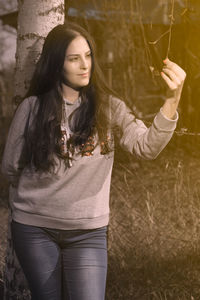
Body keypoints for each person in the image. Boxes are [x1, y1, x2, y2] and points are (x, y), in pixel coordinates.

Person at [1, 22, 186, 300]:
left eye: (88, 55)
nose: (84, 65)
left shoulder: (109, 108)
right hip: (35, 229)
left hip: (88, 232)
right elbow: (10, 167)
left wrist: (173, 99)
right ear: (56, 64)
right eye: (74, 58)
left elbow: (146, 147)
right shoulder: (32, 108)